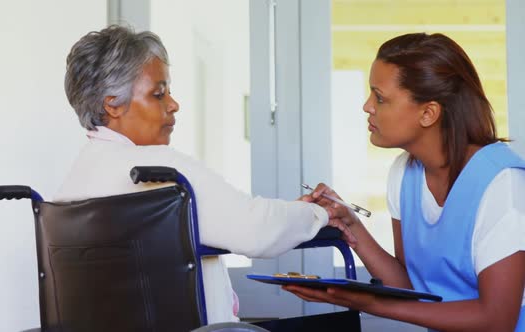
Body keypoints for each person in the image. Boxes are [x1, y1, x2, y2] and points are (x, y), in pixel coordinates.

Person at [54, 25, 347, 324]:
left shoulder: (70, 187)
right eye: (159, 93)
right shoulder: (160, 170)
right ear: (112, 105)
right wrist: (316, 212)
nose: (173, 104)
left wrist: (292, 214)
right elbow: (256, 229)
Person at [283, 33, 525, 331]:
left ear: (428, 113)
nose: (367, 106)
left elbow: (497, 320)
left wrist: (371, 303)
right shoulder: (403, 173)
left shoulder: (502, 183)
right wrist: (351, 226)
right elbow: (412, 289)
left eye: (380, 97)